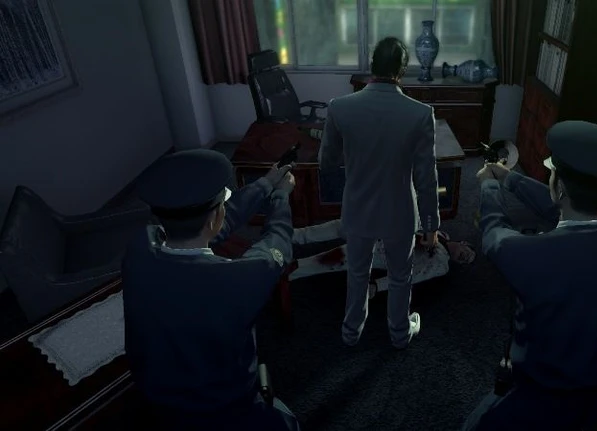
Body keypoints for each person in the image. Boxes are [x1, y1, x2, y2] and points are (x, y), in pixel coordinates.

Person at [463, 121, 597, 430]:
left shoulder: (530, 254)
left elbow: (494, 232)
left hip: (544, 395)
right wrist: (510, 178)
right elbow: (560, 211)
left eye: (552, 173)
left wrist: (489, 185)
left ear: (558, 185)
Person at [122, 149, 300, 431]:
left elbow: (213, 226)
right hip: (228, 411)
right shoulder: (241, 279)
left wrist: (266, 183)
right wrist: (281, 197)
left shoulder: (139, 248)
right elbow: (277, 242)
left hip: (160, 407)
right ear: (214, 217)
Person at [318, 37, 440, 349]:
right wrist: (431, 225)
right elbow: (426, 178)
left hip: (358, 207)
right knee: (401, 275)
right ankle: (399, 333)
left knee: (357, 273)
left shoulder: (339, 108)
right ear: (402, 70)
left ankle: (351, 331)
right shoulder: (421, 113)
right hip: (400, 211)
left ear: (372, 66)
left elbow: (327, 162)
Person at [289, 219, 475, 297]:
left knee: (332, 259)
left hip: (380, 251)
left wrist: (378, 286)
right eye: (468, 253)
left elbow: (412, 275)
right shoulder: (440, 231)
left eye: (465, 261)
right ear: (464, 243)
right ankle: (292, 235)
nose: (465, 258)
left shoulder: (441, 264)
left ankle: (286, 272)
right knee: (340, 226)